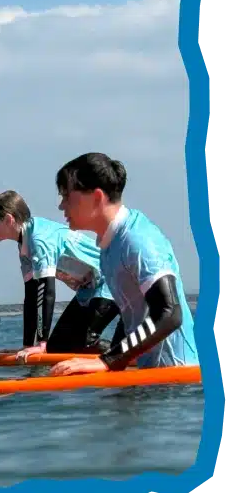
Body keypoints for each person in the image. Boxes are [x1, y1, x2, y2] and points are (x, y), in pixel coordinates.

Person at [48, 153, 199, 376]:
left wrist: (109, 360)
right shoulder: (109, 244)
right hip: (152, 380)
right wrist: (114, 363)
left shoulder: (137, 240)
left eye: (66, 196)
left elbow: (169, 313)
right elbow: (133, 318)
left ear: (96, 197)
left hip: (178, 384)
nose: (61, 206)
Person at [0, 190, 122, 359]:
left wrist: (41, 344)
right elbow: (31, 296)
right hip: (89, 288)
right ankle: (118, 354)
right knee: (57, 347)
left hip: (112, 280)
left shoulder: (39, 240)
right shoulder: (24, 246)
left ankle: (125, 355)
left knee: (85, 341)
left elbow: (47, 291)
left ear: (8, 220)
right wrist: (28, 345)